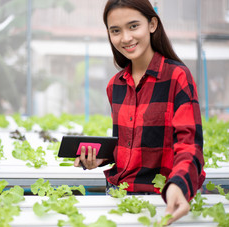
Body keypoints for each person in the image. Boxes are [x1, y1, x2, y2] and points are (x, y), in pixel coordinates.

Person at [74, 0, 205, 224]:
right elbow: (130, 145)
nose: (125, 38)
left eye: (133, 26)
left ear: (152, 24)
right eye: (116, 30)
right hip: (118, 196)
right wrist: (100, 159)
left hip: (163, 198)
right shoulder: (115, 85)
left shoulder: (177, 77)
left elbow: (190, 145)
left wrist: (178, 185)